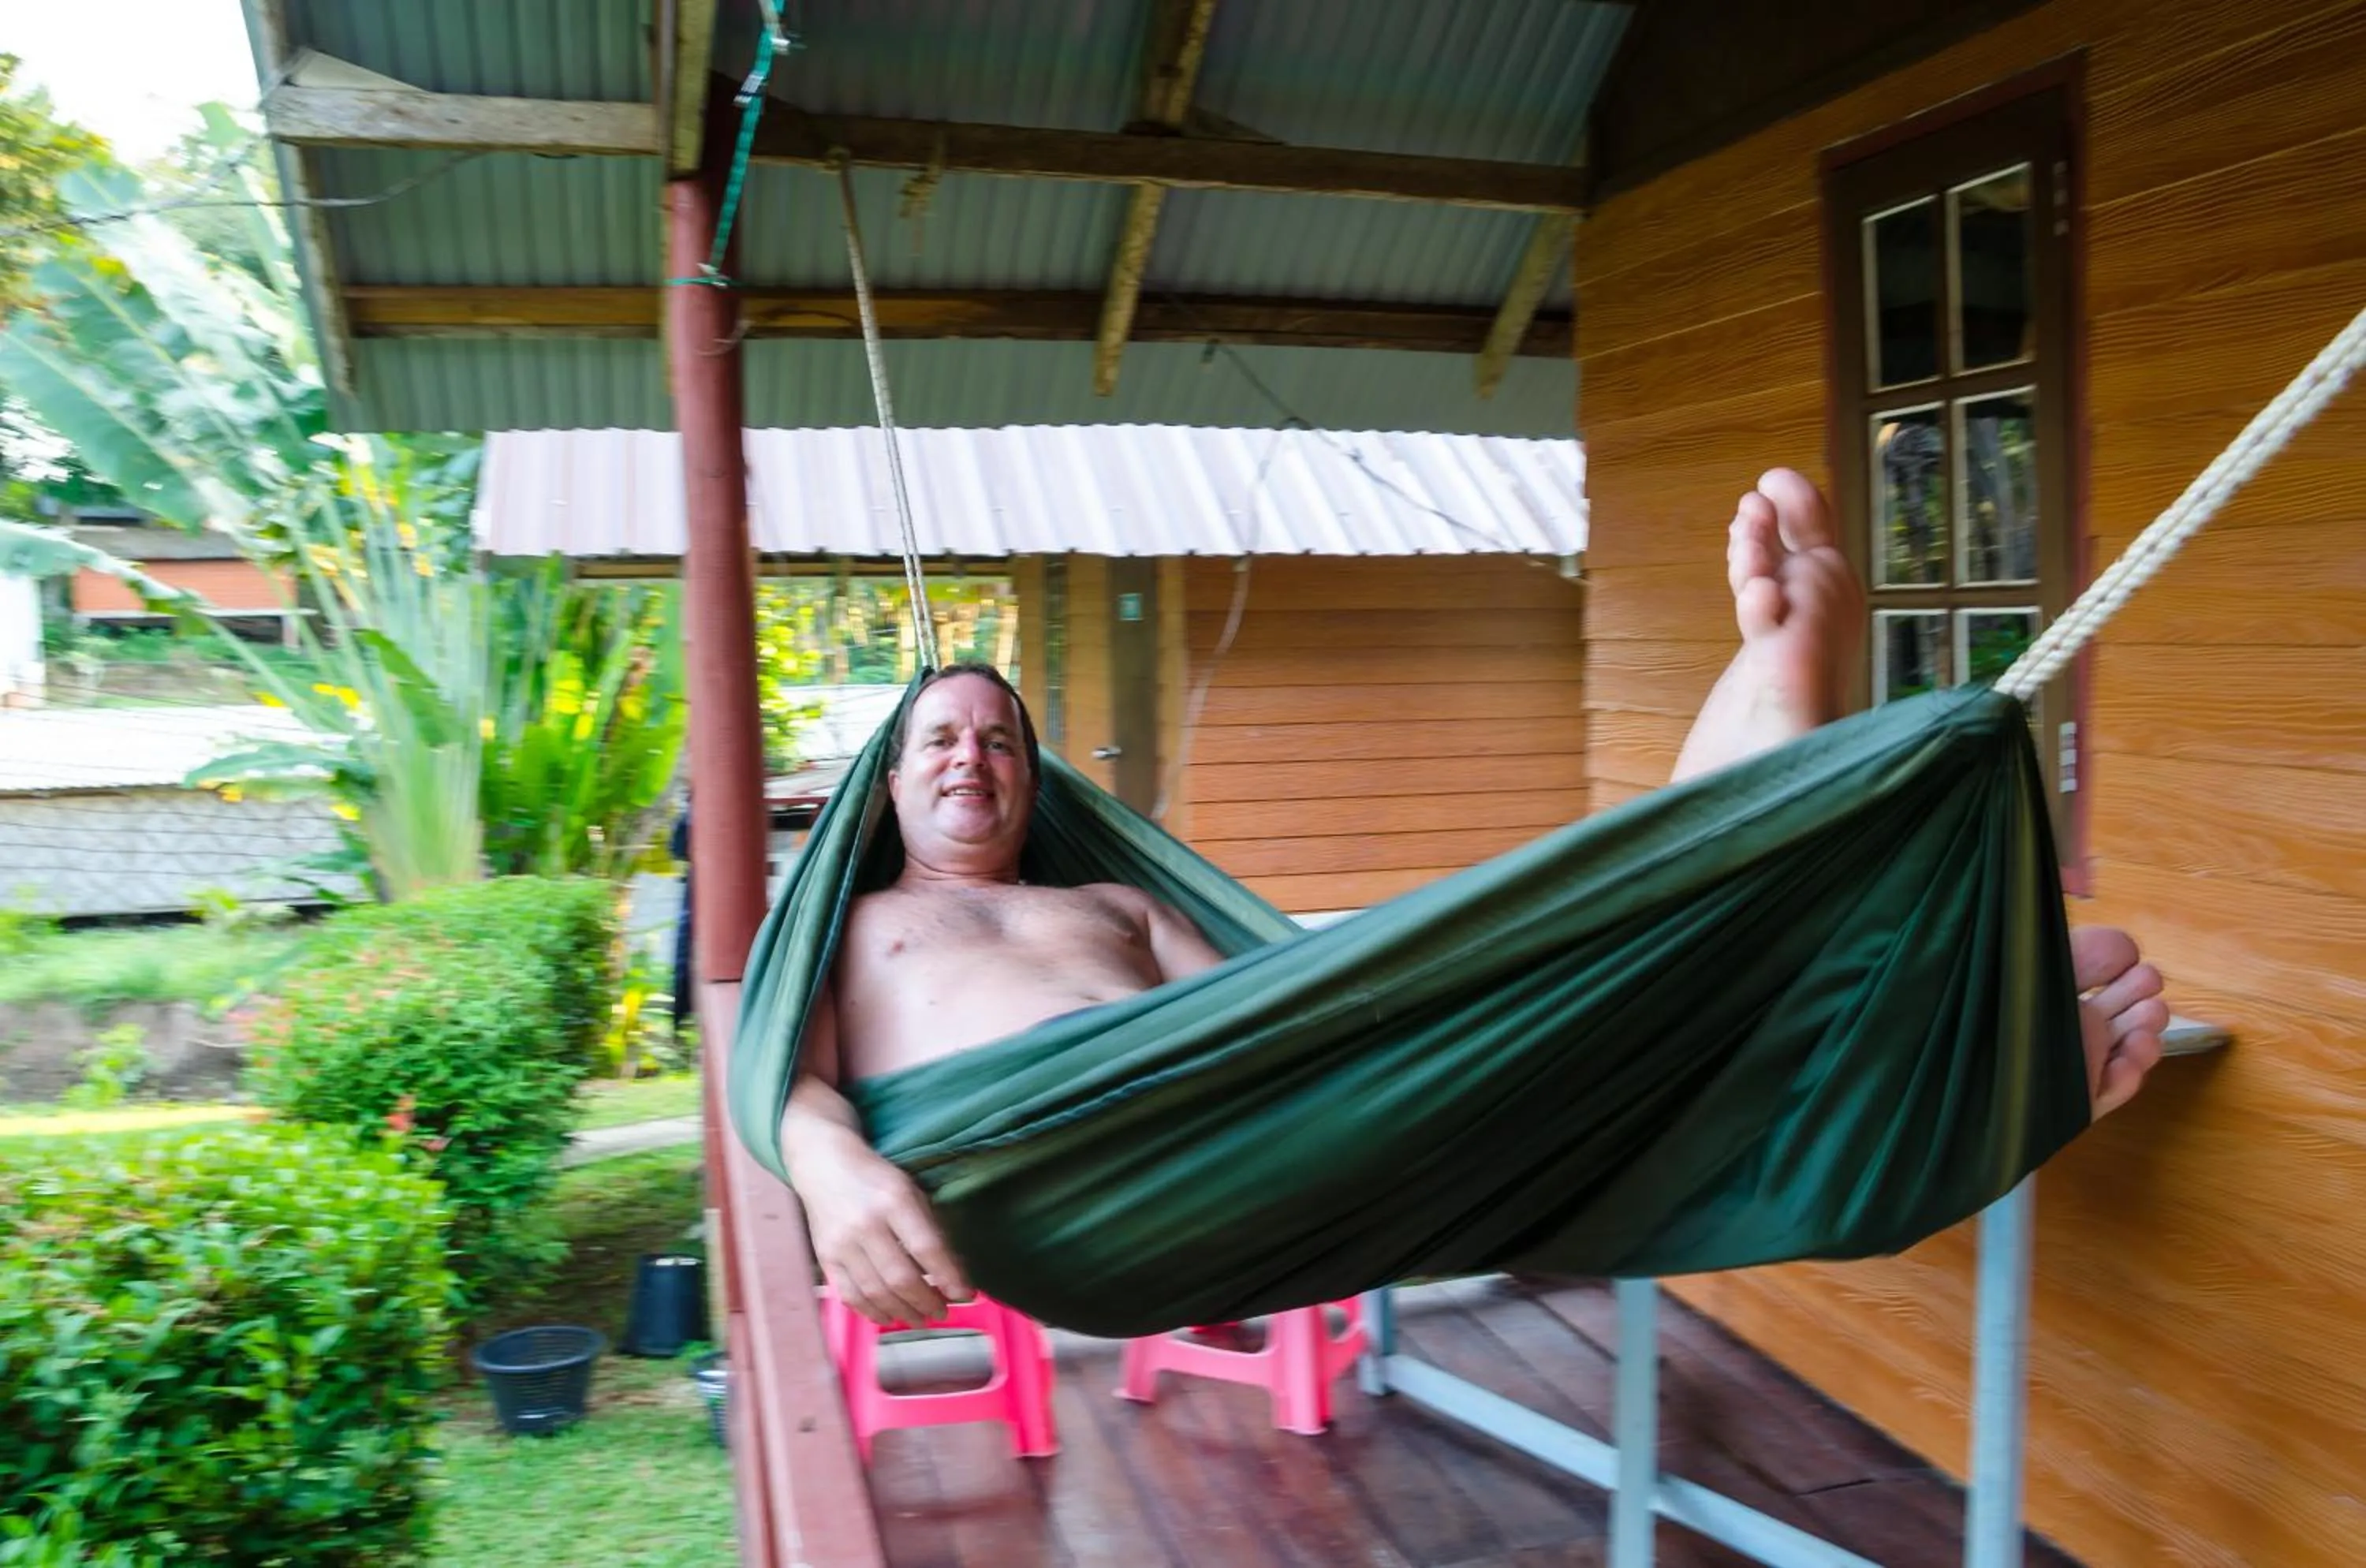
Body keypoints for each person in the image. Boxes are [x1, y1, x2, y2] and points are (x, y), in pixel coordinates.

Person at [782, 468, 2170, 1329]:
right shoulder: (850, 935)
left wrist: (1414, 1011)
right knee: (1549, 1001)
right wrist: (826, 1164)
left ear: (1038, 782)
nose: (975, 756)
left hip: (1251, 1114)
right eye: (941, 741)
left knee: (1540, 1024)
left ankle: (1796, 847)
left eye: (1004, 737)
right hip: (1066, 1196)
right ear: (887, 787)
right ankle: (1770, 793)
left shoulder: (1112, 908)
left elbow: (1278, 1028)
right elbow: (777, 1079)